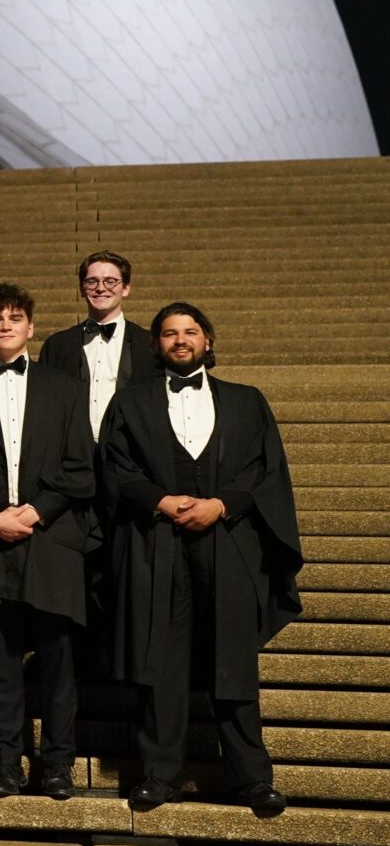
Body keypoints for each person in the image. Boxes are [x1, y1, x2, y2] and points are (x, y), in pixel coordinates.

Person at [100, 304, 300, 818]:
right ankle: (158, 774)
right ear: (156, 345)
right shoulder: (130, 403)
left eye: (190, 331)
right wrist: (160, 500)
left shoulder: (246, 401)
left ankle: (252, 778)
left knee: (232, 661)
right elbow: (116, 468)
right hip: (156, 543)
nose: (180, 340)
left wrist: (223, 504)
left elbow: (264, 468)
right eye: (169, 333)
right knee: (160, 661)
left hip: (228, 542)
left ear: (207, 340)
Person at [0, 283, 95, 800]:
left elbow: (80, 467)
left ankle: (58, 764)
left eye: (14, 318)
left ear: (31, 327)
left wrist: (36, 510)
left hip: (51, 537)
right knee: (1, 662)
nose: (5, 326)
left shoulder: (66, 388)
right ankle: (5, 764)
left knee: (57, 660)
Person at [39, 251, 158, 441]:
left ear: (126, 288)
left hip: (130, 450)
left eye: (110, 281)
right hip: (73, 451)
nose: (101, 288)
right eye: (92, 281)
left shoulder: (150, 345)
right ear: (82, 288)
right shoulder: (57, 346)